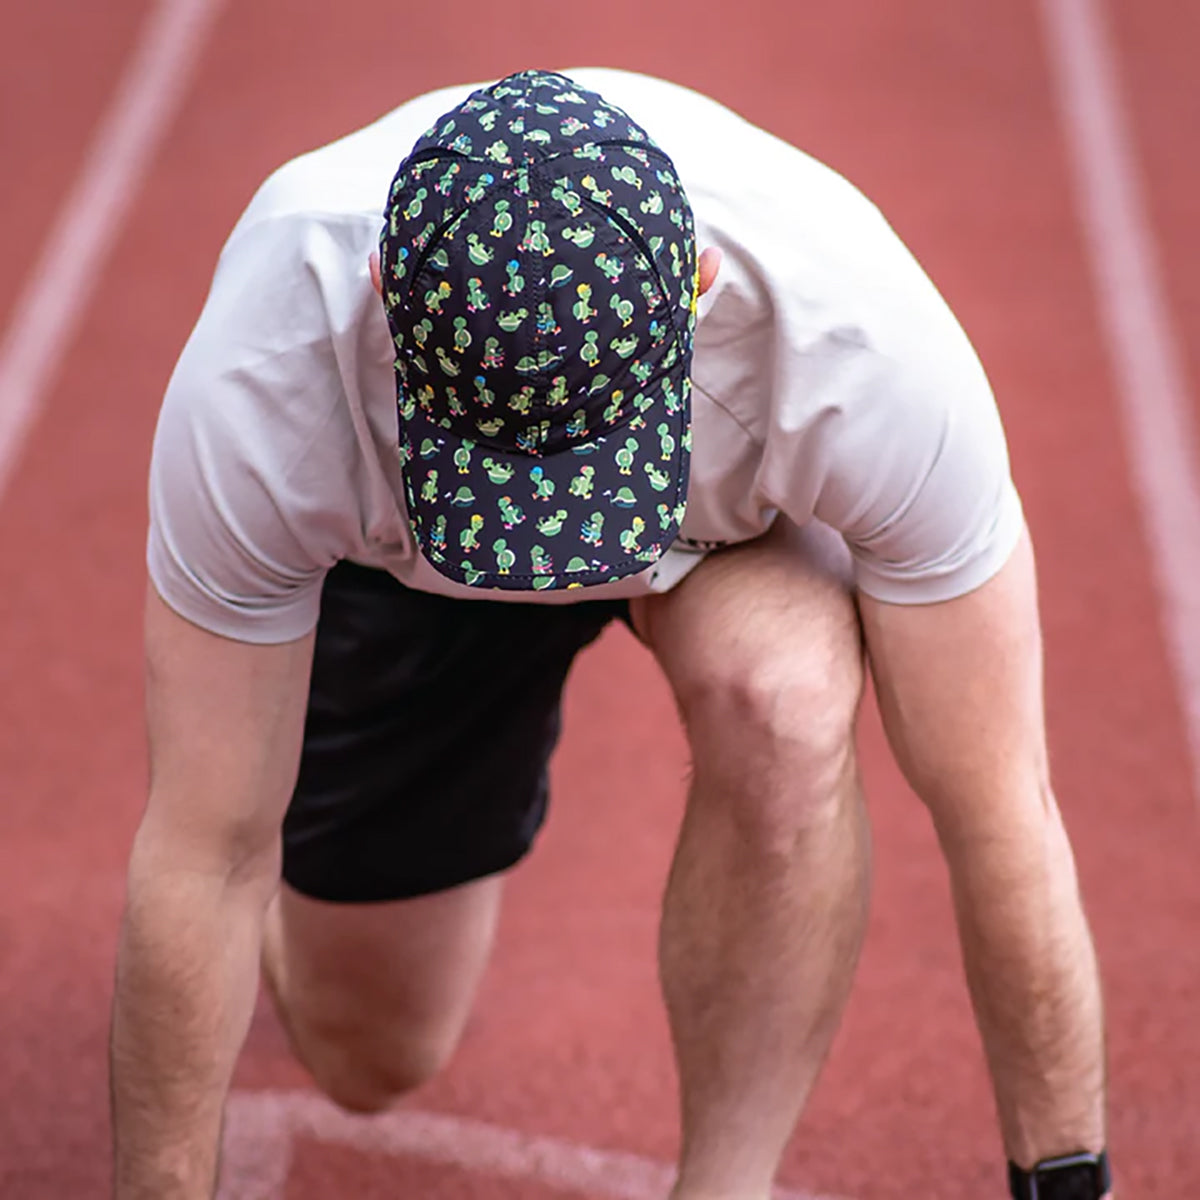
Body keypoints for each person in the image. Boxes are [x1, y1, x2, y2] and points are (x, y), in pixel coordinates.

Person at [110, 68, 1112, 1200]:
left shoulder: (862, 348)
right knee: (374, 1057)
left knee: (784, 700)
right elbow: (206, 852)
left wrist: (1069, 1180)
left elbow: (997, 809)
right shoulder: (264, 374)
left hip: (712, 548)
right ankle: (325, 924)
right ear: (384, 287)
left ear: (700, 284)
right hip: (411, 572)